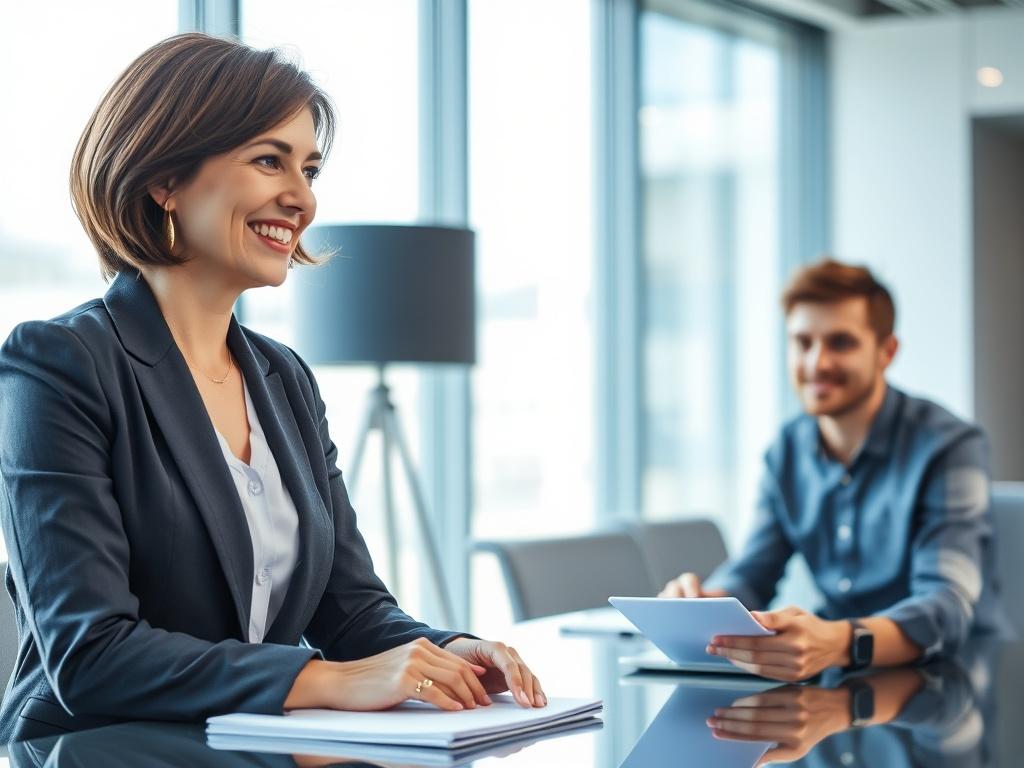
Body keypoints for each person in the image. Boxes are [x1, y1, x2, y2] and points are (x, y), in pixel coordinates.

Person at [0, 33, 544, 743]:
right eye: (268, 161)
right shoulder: (59, 364)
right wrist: (322, 680)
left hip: (255, 741)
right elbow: (91, 653)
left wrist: (447, 654)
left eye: (310, 169)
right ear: (164, 179)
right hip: (101, 747)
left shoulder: (284, 377)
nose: (302, 198)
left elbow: (350, 609)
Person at [660, 259, 1005, 680]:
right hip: (839, 685)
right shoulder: (786, 451)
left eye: (840, 343)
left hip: (953, 684)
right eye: (802, 343)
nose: (817, 363)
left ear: (886, 352)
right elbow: (752, 573)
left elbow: (945, 606)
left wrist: (839, 641)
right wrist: (704, 604)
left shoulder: (949, 447)